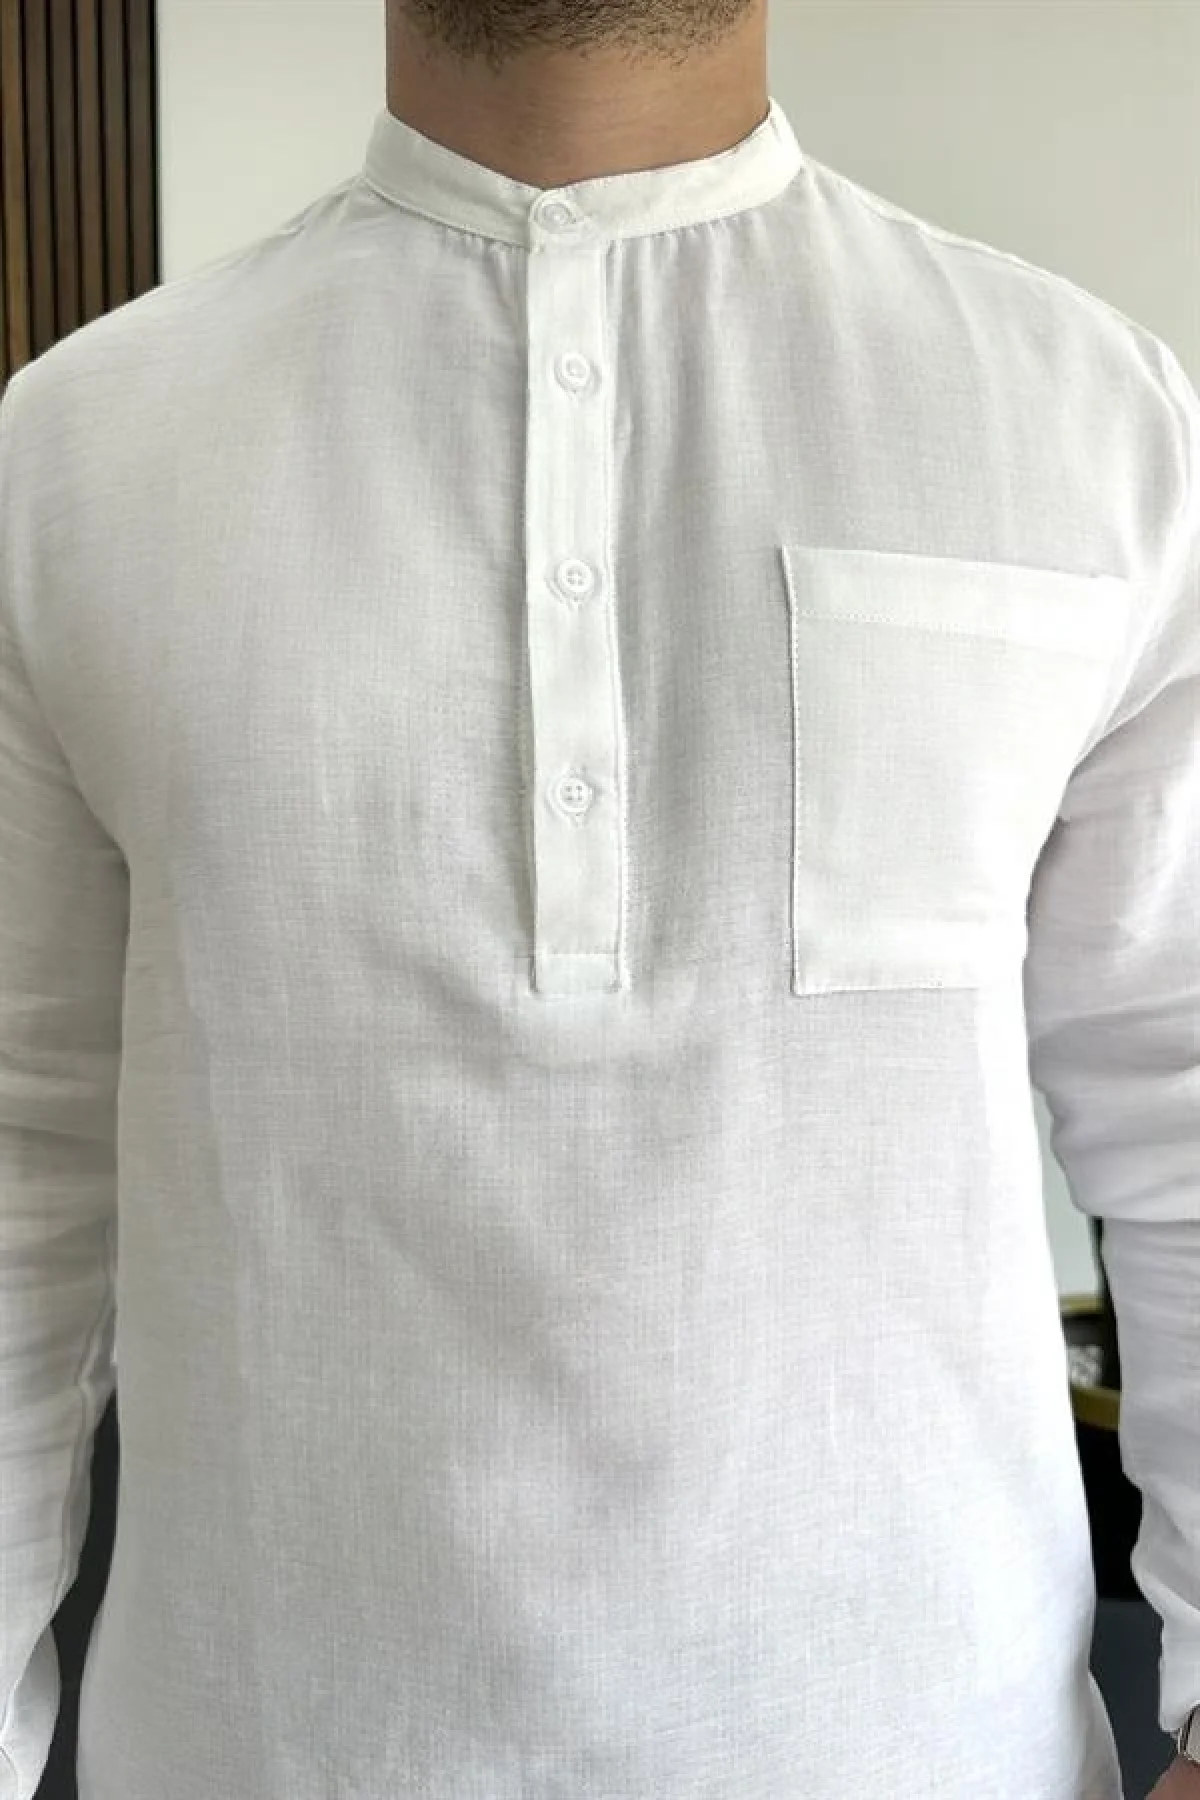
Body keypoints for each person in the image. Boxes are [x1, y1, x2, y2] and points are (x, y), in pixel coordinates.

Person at [0, 1, 1196, 1795]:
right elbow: (19, 1159)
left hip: (938, 1744)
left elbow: (1183, 1103)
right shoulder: (78, 451)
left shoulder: (1089, 420)